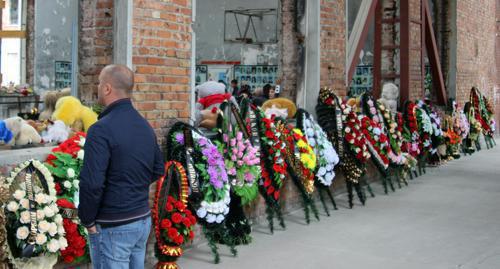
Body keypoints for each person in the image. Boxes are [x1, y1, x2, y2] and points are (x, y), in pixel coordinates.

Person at [79, 65, 165, 269]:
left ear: (107, 88)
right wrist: (131, 188)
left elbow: (91, 183)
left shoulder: (100, 129)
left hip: (114, 224)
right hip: (141, 220)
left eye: (99, 83)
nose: (97, 87)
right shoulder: (144, 125)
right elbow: (157, 169)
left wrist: (88, 221)